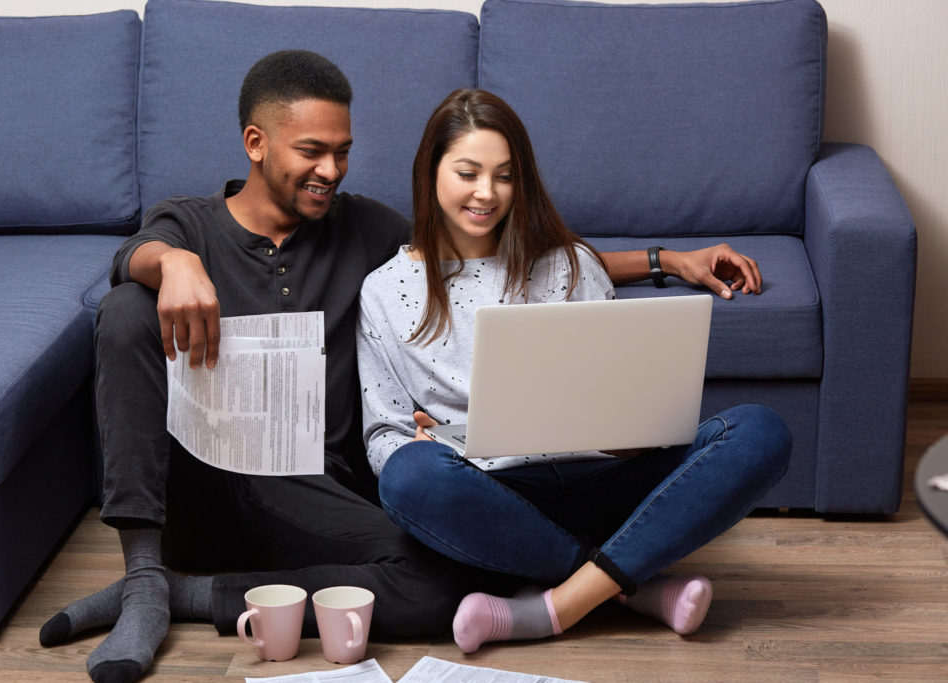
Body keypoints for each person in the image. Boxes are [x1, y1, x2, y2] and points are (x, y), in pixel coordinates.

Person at [39, 52, 770, 683]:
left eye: (344, 150)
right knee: (128, 308)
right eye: (312, 151)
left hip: (316, 490)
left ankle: (196, 596)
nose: (332, 169)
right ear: (255, 143)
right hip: (208, 485)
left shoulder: (363, 230)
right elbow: (127, 258)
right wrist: (172, 263)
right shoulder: (189, 224)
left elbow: (485, 248)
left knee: (441, 579)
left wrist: (664, 260)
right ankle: (143, 578)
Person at [356, 89, 792, 654]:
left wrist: (637, 430)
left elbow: (621, 394)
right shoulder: (385, 291)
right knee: (409, 475)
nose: (486, 193)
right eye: (467, 172)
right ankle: (631, 587)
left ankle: (558, 605)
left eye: (505, 176)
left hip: (605, 480)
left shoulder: (571, 264)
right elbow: (382, 433)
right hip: (493, 493)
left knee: (760, 431)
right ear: (430, 171)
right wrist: (418, 445)